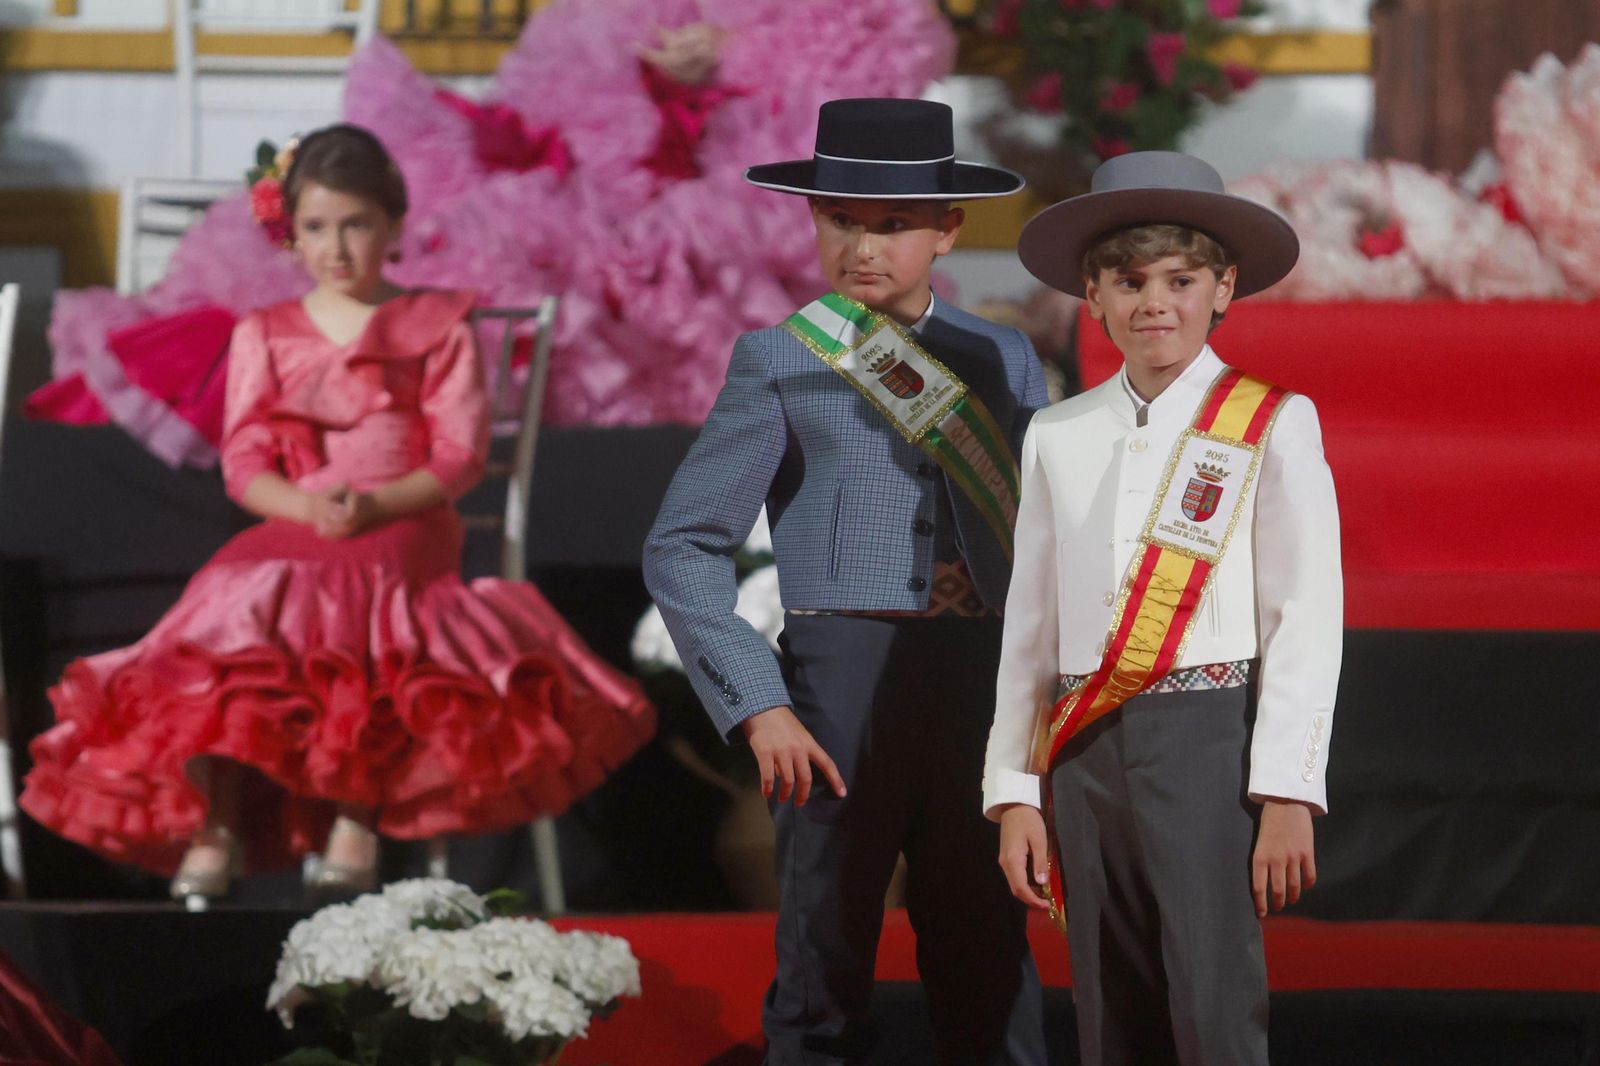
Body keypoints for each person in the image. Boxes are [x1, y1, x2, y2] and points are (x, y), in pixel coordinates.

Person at [20, 124, 655, 906]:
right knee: (230, 592)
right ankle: (217, 819)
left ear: (390, 226)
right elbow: (245, 461)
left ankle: (355, 815)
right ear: (290, 234)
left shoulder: (438, 324)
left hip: (406, 515)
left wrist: (378, 502)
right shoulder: (265, 333)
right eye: (317, 228)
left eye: (356, 224)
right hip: (303, 519)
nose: (338, 247)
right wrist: (308, 504)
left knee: (355, 587)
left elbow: (457, 455)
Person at [644, 98, 1047, 1065]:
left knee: (988, 954)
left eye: (895, 225)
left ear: (949, 228)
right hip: (836, 681)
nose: (865, 247)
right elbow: (682, 544)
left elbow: (1044, 540)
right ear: (813, 219)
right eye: (841, 221)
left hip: (979, 684)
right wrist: (760, 704)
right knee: (823, 956)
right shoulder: (780, 359)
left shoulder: (1005, 355)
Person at [983, 151, 1342, 1066]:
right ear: (1091, 296)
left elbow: (1304, 612)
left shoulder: (1270, 419)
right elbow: (1029, 628)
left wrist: (1290, 789)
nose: (1155, 303)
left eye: (1180, 281)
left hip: (1206, 736)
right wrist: (1016, 791)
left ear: (1223, 289)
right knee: (1110, 1006)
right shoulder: (1056, 433)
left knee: (1213, 1002)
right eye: (1129, 281)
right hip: (1083, 748)